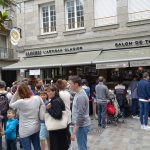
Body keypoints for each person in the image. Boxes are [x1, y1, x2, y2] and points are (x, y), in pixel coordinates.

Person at [9, 83, 45, 150]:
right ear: (29, 90)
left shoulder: (21, 102)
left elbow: (10, 104)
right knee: (37, 146)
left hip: (24, 130)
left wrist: (16, 92)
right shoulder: (37, 98)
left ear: (20, 93)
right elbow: (42, 107)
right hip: (36, 127)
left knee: (27, 148)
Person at [45, 85, 69, 150]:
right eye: (47, 91)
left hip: (57, 130)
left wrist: (48, 109)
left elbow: (58, 115)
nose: (48, 93)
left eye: (49, 91)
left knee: (57, 146)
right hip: (60, 129)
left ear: (54, 92)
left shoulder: (55, 101)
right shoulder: (56, 99)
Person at [69, 76, 91, 150]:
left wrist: (74, 132)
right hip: (82, 125)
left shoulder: (80, 96)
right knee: (82, 145)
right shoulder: (78, 93)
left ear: (76, 84)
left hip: (82, 126)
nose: (69, 85)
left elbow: (80, 116)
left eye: (70, 83)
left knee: (82, 147)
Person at [56, 79, 71, 147]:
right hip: (68, 113)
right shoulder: (67, 93)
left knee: (63, 131)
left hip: (62, 114)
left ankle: (66, 145)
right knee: (67, 130)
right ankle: (69, 144)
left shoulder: (59, 94)